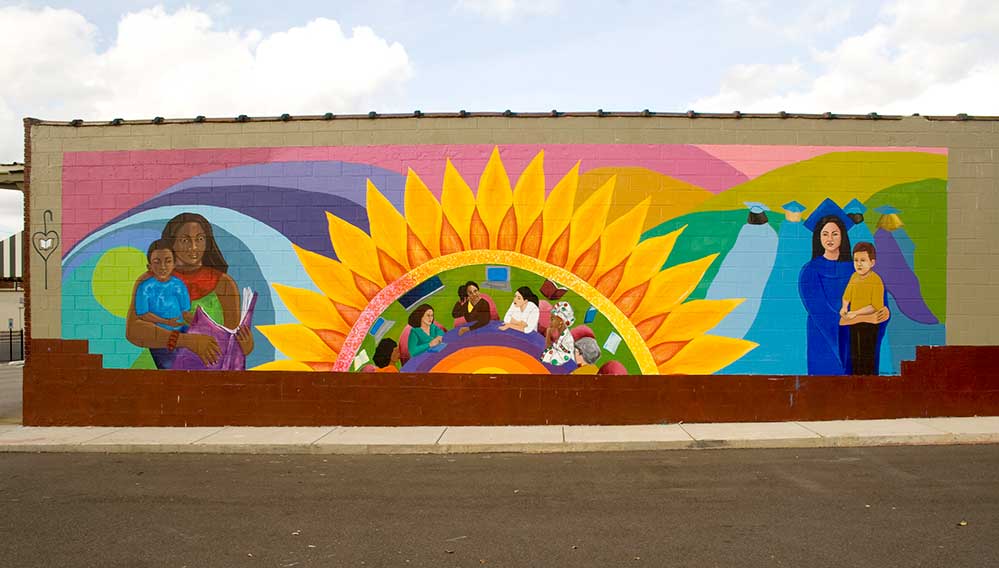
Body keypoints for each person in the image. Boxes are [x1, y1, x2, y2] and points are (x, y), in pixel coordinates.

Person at [126, 212, 253, 369]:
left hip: (211, 373)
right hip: (159, 370)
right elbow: (133, 330)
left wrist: (245, 345)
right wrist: (187, 340)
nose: (193, 247)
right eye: (185, 240)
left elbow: (231, 340)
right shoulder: (149, 280)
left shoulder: (224, 283)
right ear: (172, 243)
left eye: (200, 239)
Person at [798, 199, 888, 375]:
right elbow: (821, 312)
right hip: (823, 337)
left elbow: (876, 295)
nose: (830, 239)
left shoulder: (855, 266)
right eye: (825, 234)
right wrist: (864, 319)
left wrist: (883, 312)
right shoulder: (810, 271)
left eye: (835, 234)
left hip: (857, 336)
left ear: (843, 236)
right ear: (818, 237)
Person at [840, 242, 885, 375]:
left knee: (867, 353)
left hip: (870, 323)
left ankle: (868, 381)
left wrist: (855, 313)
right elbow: (846, 296)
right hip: (854, 322)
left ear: (872, 262)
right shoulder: (854, 277)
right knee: (855, 353)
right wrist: (844, 308)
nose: (859, 264)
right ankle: (857, 380)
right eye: (856, 260)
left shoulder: (876, 280)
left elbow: (875, 306)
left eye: (863, 260)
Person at [135, 239, 192, 332]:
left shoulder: (178, 284)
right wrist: (166, 322)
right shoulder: (145, 287)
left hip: (180, 329)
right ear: (149, 267)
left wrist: (195, 321)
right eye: (157, 262)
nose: (163, 267)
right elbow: (143, 314)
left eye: (168, 261)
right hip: (158, 334)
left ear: (174, 264)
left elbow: (185, 310)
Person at [542, 301, 575, 366]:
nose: (550, 321)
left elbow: (562, 358)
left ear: (561, 321)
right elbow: (549, 348)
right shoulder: (560, 334)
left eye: (552, 319)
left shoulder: (567, 340)